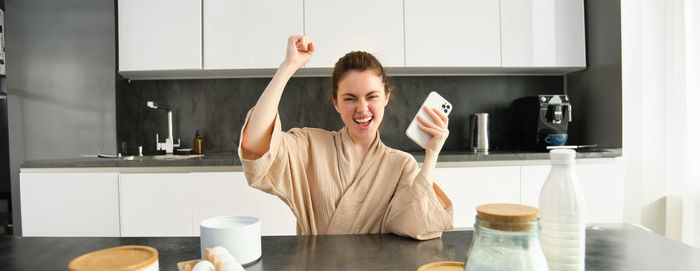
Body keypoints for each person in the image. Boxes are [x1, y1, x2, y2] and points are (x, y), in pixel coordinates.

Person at [238, 35, 453, 240]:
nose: (362, 108)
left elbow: (417, 226)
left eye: (372, 97)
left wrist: (431, 155)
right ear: (336, 103)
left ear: (386, 97)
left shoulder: (400, 165)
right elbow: (256, 145)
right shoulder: (310, 146)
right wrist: (288, 66)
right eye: (350, 98)